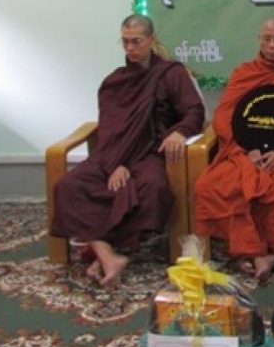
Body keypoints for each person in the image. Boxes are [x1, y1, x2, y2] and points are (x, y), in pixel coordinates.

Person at [51, 15, 205, 287]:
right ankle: (108, 255)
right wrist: (116, 164)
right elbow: (110, 129)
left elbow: (194, 110)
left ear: (151, 40)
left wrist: (179, 132)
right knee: (69, 185)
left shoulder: (171, 74)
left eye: (137, 41)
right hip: (111, 155)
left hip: (151, 153)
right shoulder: (115, 82)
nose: (130, 48)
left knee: (153, 188)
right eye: (125, 42)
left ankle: (106, 253)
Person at [193, 17, 274, 281]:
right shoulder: (244, 73)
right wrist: (247, 148)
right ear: (259, 41)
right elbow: (223, 116)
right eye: (267, 39)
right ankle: (254, 252)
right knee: (211, 185)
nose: (272, 45)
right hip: (245, 152)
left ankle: (271, 252)